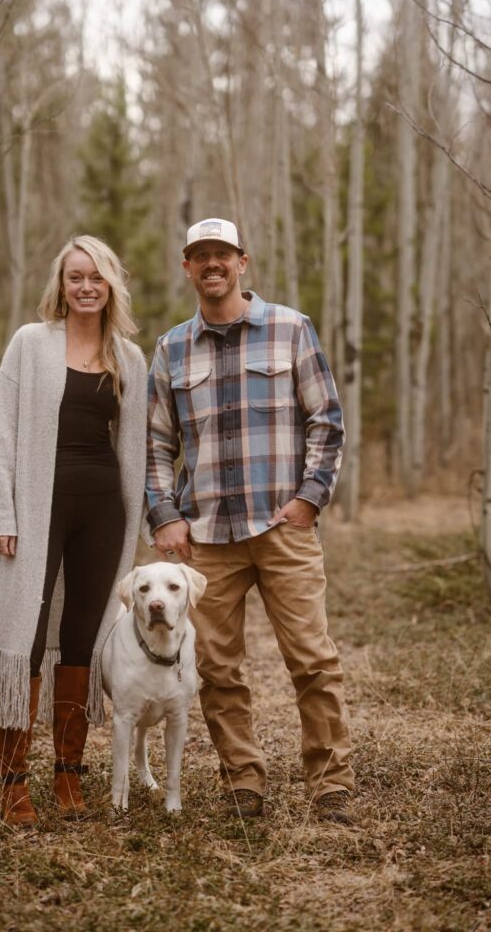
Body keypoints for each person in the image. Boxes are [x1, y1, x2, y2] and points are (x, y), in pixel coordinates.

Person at [146, 217, 354, 823]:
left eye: (223, 254)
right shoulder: (171, 348)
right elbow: (157, 445)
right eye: (200, 255)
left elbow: (327, 422)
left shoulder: (291, 329)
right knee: (214, 668)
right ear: (187, 267)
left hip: (282, 528)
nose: (212, 264)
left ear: (243, 262)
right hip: (205, 537)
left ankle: (331, 782)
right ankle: (243, 780)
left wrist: (309, 499)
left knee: (312, 659)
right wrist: (165, 516)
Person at [0, 235, 147, 827]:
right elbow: (2, 430)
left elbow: (135, 450)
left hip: (103, 510)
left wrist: (145, 522)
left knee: (83, 637)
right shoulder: (30, 344)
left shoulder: (129, 358)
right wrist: (3, 511)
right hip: (37, 506)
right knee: (25, 635)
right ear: (62, 284)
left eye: (96, 277)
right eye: (75, 276)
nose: (85, 286)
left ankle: (69, 776)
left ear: (110, 287)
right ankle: (12, 782)